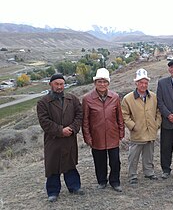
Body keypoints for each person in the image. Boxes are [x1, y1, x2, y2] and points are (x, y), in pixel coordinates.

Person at [37, 73, 84, 202]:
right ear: (51, 85)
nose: (59, 87)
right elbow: (44, 121)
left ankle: (74, 187)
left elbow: (79, 115)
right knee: (53, 166)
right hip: (53, 140)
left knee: (70, 163)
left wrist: (73, 128)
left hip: (69, 138)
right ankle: (53, 192)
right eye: (56, 84)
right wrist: (60, 130)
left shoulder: (72, 99)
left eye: (61, 84)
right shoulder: (43, 102)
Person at [82, 68, 124, 192]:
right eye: (99, 82)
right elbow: (85, 120)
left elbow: (119, 117)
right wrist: (87, 137)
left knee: (115, 161)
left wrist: (121, 132)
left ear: (108, 83)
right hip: (97, 136)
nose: (102, 84)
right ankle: (102, 181)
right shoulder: (87, 99)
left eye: (104, 82)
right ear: (95, 83)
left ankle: (115, 181)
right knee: (99, 161)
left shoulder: (115, 97)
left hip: (113, 134)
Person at [121, 68, 161, 184]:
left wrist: (156, 124)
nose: (143, 85)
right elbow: (124, 115)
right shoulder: (128, 99)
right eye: (141, 82)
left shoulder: (153, 97)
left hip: (150, 132)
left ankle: (149, 172)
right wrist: (133, 126)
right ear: (136, 83)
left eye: (145, 83)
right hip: (137, 133)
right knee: (133, 156)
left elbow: (158, 112)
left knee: (149, 154)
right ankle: (132, 175)